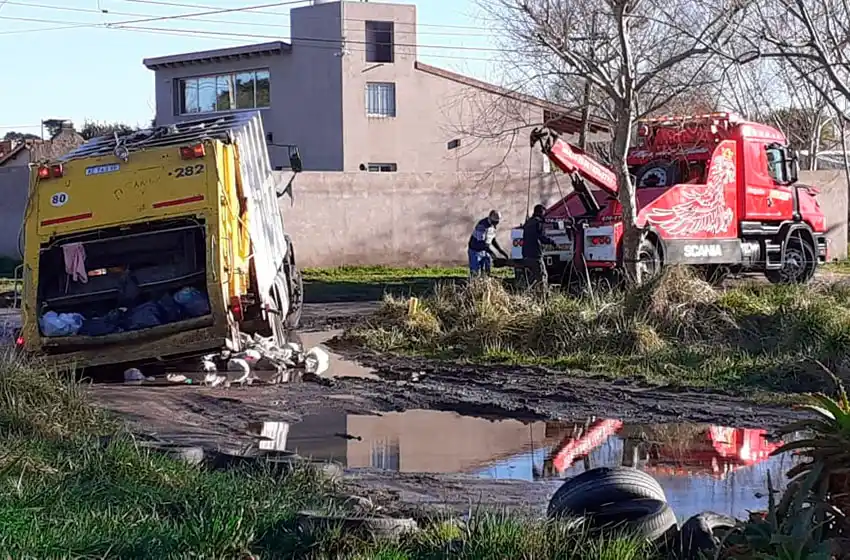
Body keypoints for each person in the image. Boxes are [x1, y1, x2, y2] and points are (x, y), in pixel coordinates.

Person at [522, 204, 556, 289]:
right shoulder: (538, 223)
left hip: (526, 254)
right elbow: (541, 237)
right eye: (543, 213)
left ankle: (529, 295)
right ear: (540, 212)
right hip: (535, 255)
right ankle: (542, 297)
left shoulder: (528, 222)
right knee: (542, 276)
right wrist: (552, 242)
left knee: (532, 278)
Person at [467, 210, 509, 277]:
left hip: (485, 250)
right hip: (475, 251)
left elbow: (492, 240)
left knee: (487, 272)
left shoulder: (493, 226)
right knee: (475, 273)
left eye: (497, 222)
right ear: (490, 218)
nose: (495, 224)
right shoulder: (482, 225)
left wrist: (500, 250)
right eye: (494, 222)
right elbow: (481, 243)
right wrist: (492, 253)